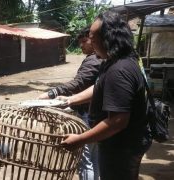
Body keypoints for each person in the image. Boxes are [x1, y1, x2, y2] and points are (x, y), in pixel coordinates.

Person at [57, 11, 152, 180]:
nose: (91, 45)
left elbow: (117, 121)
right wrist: (71, 99)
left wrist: (80, 139)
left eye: (93, 40)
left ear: (108, 39)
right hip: (120, 143)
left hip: (121, 147)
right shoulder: (116, 61)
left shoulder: (119, 70)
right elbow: (100, 86)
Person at [38, 26, 102, 180]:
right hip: (97, 113)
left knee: (84, 159)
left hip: (88, 114)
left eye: (85, 41)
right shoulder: (101, 59)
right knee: (95, 157)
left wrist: (52, 93)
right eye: (80, 42)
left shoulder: (94, 60)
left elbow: (78, 83)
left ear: (94, 41)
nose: (81, 45)